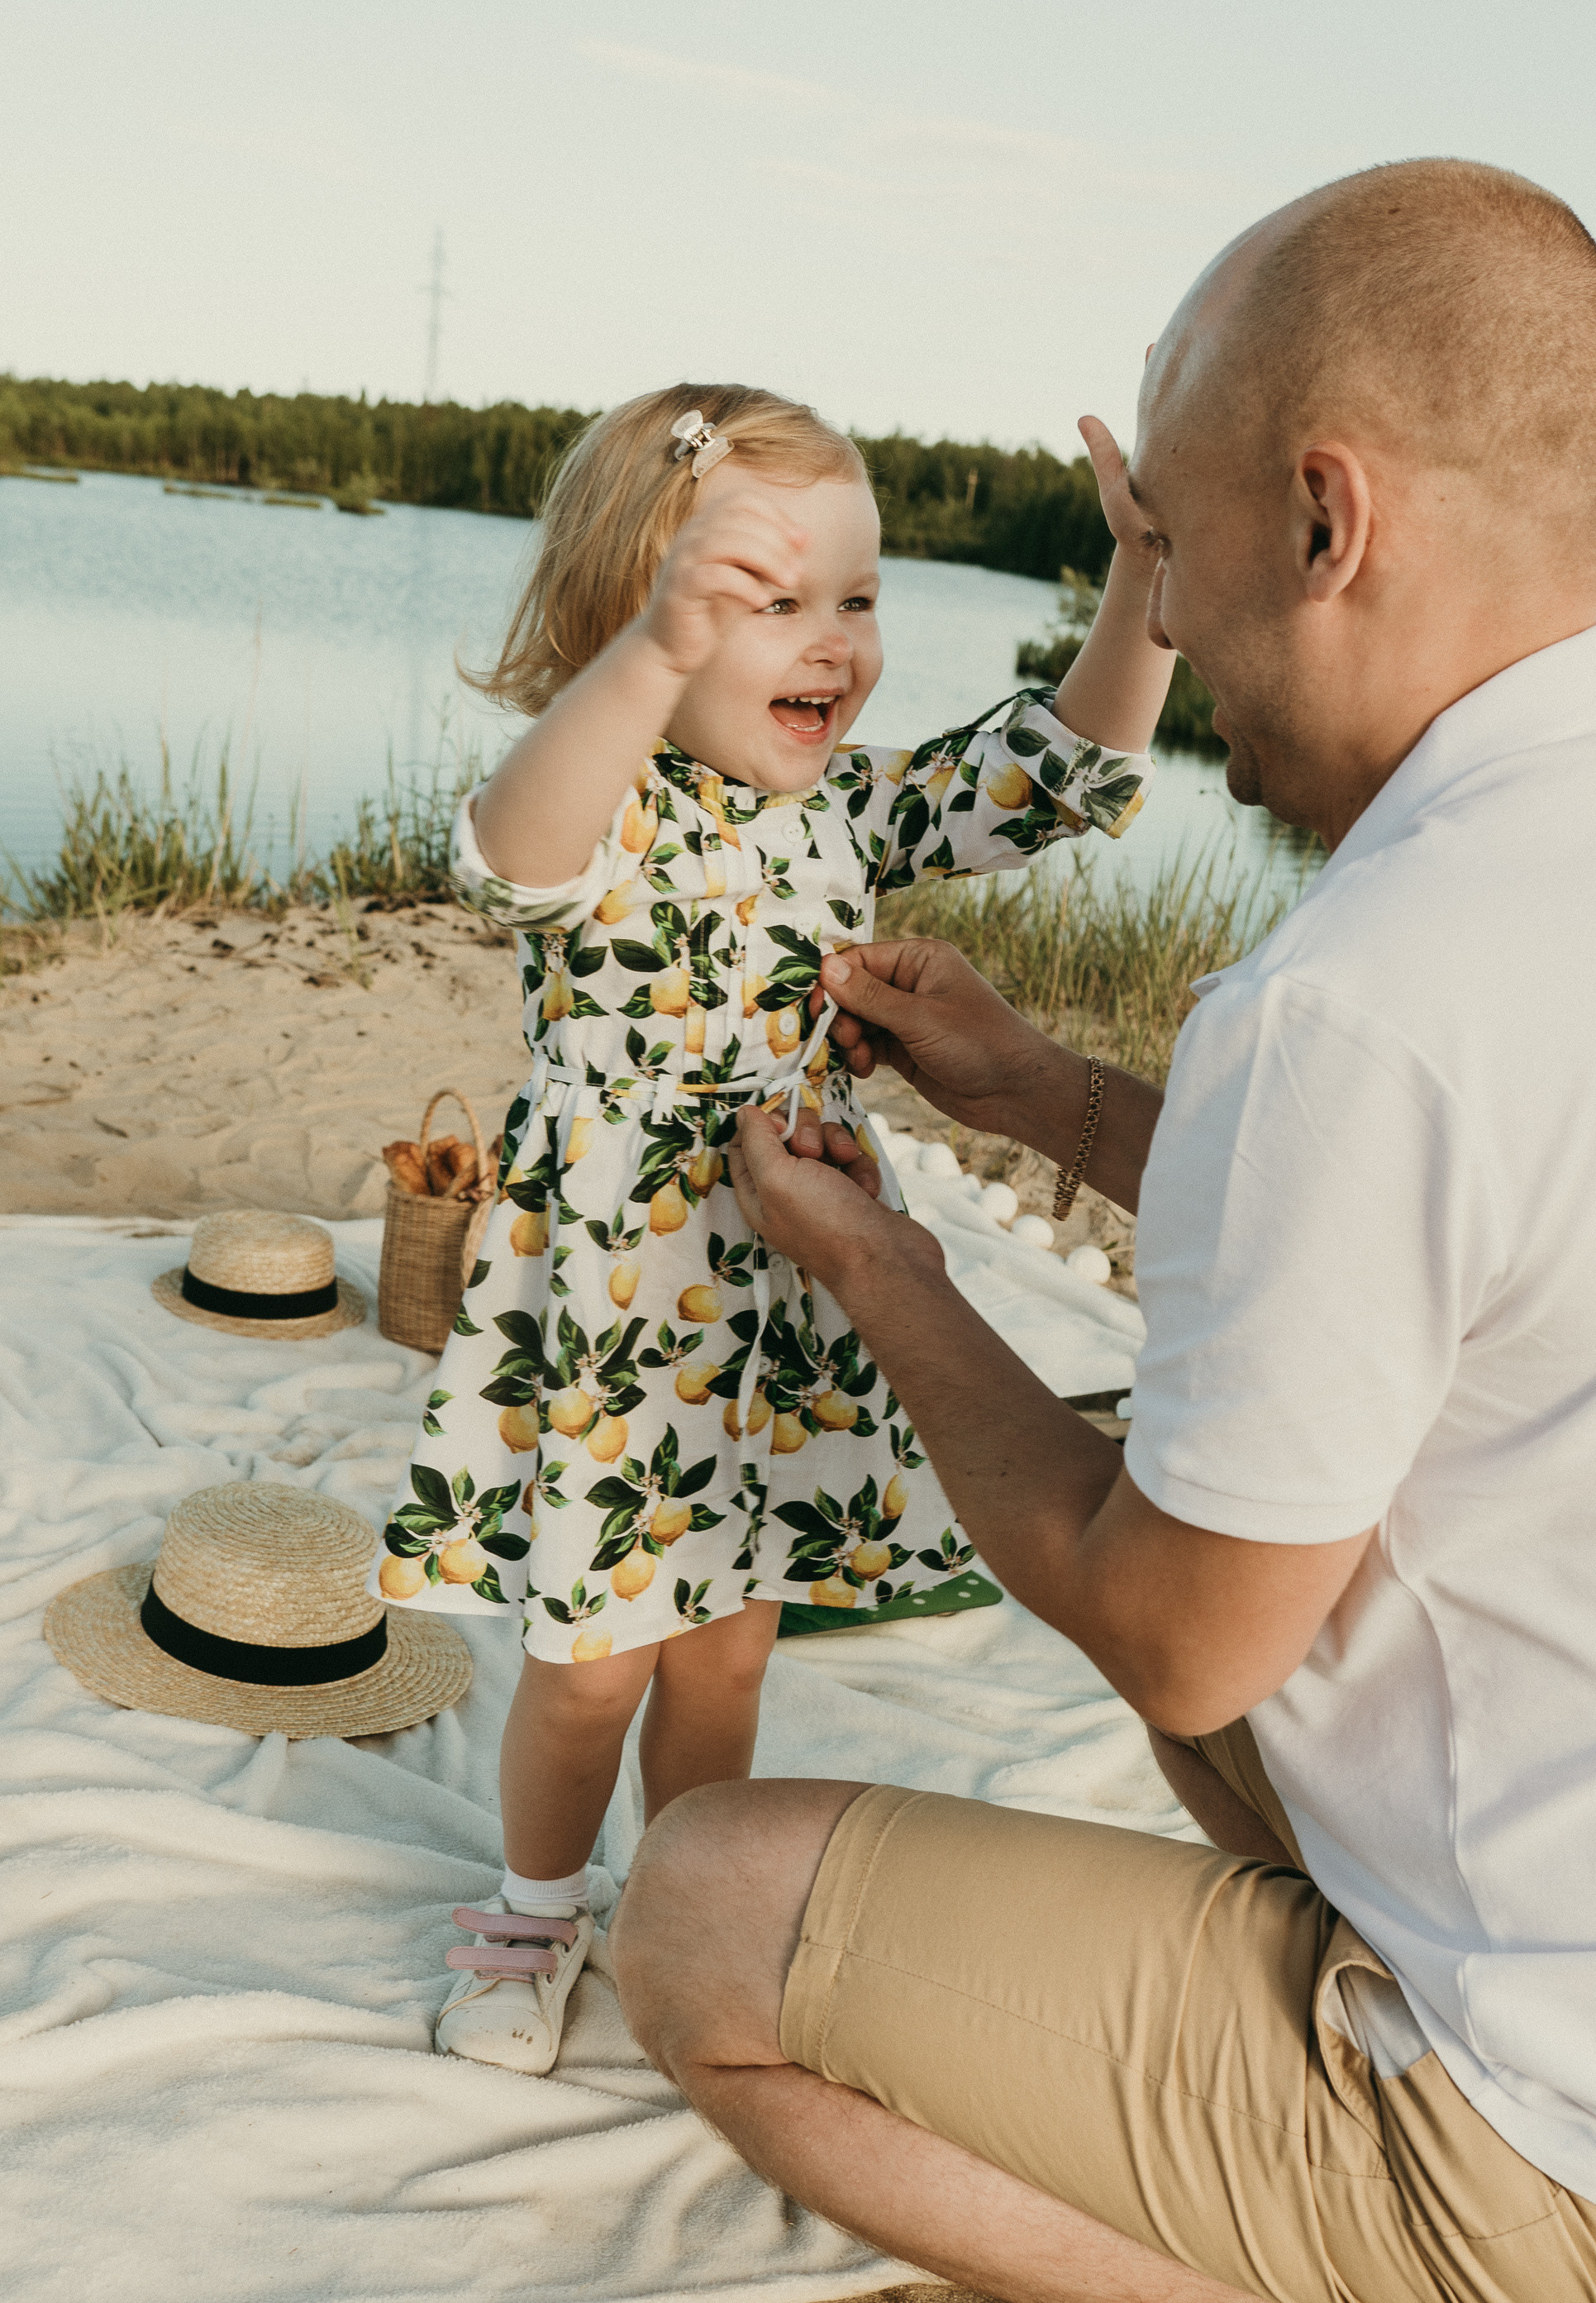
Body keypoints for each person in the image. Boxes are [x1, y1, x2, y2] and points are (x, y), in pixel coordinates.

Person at [610, 166, 1596, 2302]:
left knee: (694, 1902)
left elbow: (1169, 1632)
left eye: (1166, 550)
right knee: (1213, 1511)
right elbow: (1447, 1222)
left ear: (1323, 524)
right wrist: (1048, 1101)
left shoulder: (1368, 994)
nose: (1165, 618)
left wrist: (886, 1277)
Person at [369, 380, 1169, 2074]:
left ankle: (676, 1896)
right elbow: (507, 852)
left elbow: (1060, 766)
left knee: (727, 1651)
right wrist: (654, 657)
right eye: (771, 600)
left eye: (858, 597)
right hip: (613, 1317)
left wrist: (1140, 583)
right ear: (637, 614)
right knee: (591, 1660)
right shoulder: (612, 803)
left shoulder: (846, 813)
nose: (833, 642)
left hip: (778, 1301)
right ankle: (528, 1915)